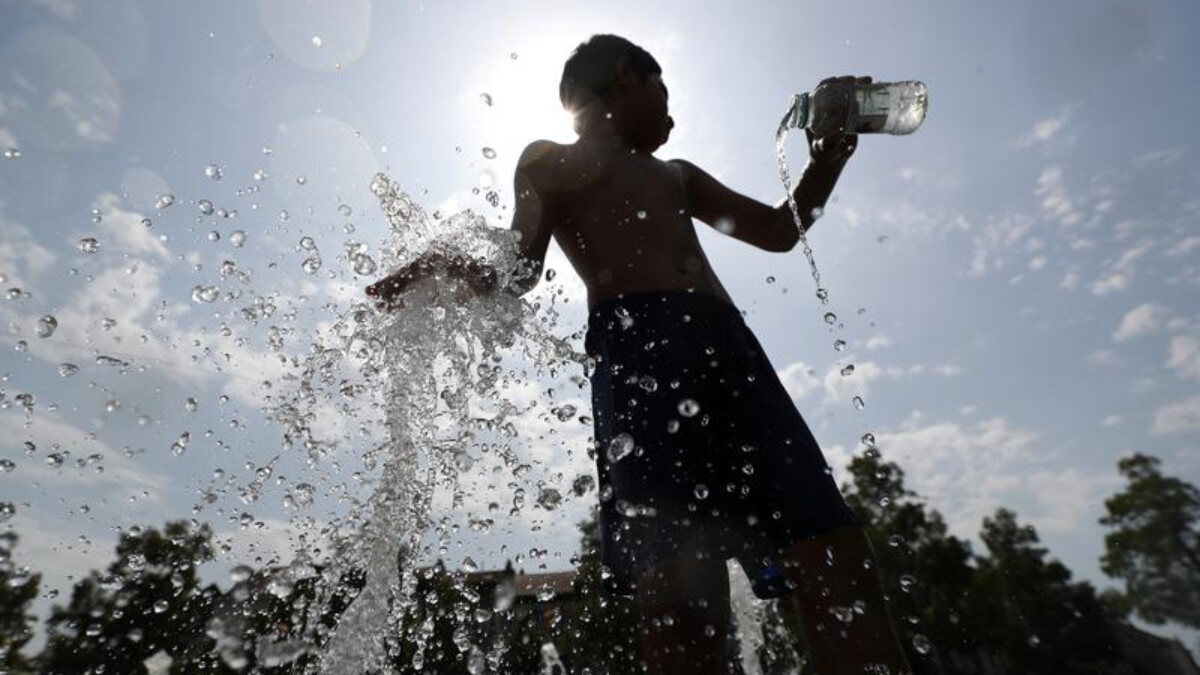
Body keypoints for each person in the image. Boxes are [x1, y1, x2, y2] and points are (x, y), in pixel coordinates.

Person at [367, 33, 913, 675]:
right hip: (639, 357)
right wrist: (442, 266)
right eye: (664, 92)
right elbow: (517, 272)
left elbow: (776, 230)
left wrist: (829, 159)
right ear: (627, 76)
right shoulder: (548, 162)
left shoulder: (677, 174)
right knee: (682, 592)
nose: (673, 114)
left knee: (832, 550)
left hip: (728, 350)